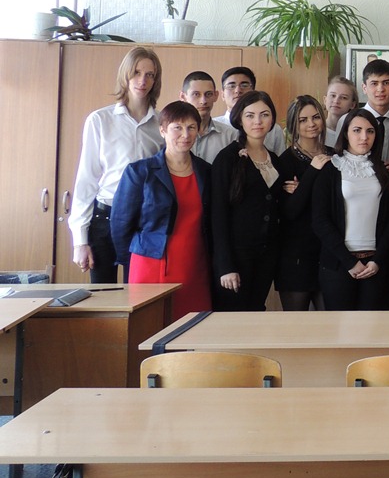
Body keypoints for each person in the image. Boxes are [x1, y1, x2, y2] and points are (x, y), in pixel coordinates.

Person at [110, 101, 212, 320]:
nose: (185, 134)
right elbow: (120, 223)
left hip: (196, 264)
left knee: (194, 327)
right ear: (163, 130)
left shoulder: (206, 171)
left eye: (191, 127)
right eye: (177, 127)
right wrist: (130, 260)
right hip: (151, 263)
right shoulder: (140, 171)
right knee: (150, 325)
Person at [70, 46, 164, 283]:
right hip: (106, 217)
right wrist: (80, 241)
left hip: (145, 220)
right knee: (103, 295)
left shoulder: (162, 124)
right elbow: (86, 180)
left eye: (150, 75)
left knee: (140, 295)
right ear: (125, 74)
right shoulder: (100, 120)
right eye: (136, 73)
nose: (142, 81)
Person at [312, 109, 389, 311]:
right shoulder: (330, 169)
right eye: (357, 130)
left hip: (375, 263)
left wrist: (377, 261)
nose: (364, 137)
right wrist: (349, 262)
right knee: (341, 325)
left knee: (374, 325)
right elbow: (320, 220)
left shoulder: (384, 170)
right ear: (345, 134)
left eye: (370, 131)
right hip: (339, 262)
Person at [211, 91, 284, 311]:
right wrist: (225, 265)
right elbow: (217, 215)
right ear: (240, 119)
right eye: (250, 115)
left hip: (266, 255)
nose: (257, 121)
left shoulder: (275, 159)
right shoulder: (227, 158)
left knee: (256, 311)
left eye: (264, 115)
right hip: (236, 255)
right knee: (233, 316)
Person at [276, 95, 333, 311]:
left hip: (329, 252)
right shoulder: (285, 161)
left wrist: (303, 190)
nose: (311, 124)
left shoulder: (334, 155)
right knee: (296, 324)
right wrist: (312, 172)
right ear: (293, 124)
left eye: (316, 117)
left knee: (332, 322)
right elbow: (290, 211)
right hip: (296, 255)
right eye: (303, 120)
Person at [359, 59, 389, 307]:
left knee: (386, 292)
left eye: (386, 83)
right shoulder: (351, 120)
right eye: (374, 83)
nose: (380, 89)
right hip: (359, 211)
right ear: (364, 87)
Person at [215, 66, 286, 155]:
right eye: (231, 86)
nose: (238, 90)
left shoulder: (273, 130)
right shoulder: (214, 128)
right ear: (222, 95)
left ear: (253, 91)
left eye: (244, 85)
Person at [179, 71, 234, 164]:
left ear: (216, 96)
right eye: (196, 94)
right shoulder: (172, 134)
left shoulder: (230, 135)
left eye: (208, 94)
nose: (203, 101)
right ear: (183, 96)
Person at [323, 76, 358, 150]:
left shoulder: (357, 133)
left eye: (344, 97)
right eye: (333, 96)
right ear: (325, 100)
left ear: (352, 104)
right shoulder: (316, 131)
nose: (336, 101)